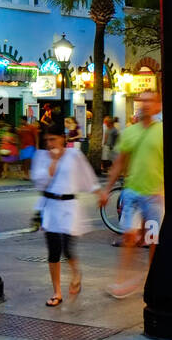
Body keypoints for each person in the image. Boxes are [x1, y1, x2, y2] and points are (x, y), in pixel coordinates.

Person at [99, 90, 164, 298]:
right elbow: (120, 162)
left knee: (153, 240)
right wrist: (107, 189)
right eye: (142, 101)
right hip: (132, 192)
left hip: (155, 195)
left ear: (157, 106)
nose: (144, 104)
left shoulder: (164, 132)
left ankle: (152, 281)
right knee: (129, 236)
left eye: (149, 101)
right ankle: (122, 280)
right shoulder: (130, 132)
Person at [32, 119, 98, 306]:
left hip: (69, 207)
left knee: (68, 248)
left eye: (53, 139)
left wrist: (98, 191)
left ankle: (76, 272)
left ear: (62, 138)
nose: (50, 144)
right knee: (53, 250)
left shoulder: (74, 155)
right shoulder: (42, 157)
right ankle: (57, 292)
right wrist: (52, 165)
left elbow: (87, 176)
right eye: (47, 140)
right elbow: (39, 182)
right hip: (51, 206)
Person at [16, 112, 39, 178]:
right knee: (24, 161)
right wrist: (18, 146)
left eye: (21, 120)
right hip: (23, 146)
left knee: (28, 159)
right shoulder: (20, 128)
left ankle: (29, 174)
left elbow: (36, 136)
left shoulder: (32, 127)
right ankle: (26, 174)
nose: (20, 121)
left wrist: (37, 145)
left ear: (24, 120)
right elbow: (19, 137)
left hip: (30, 145)